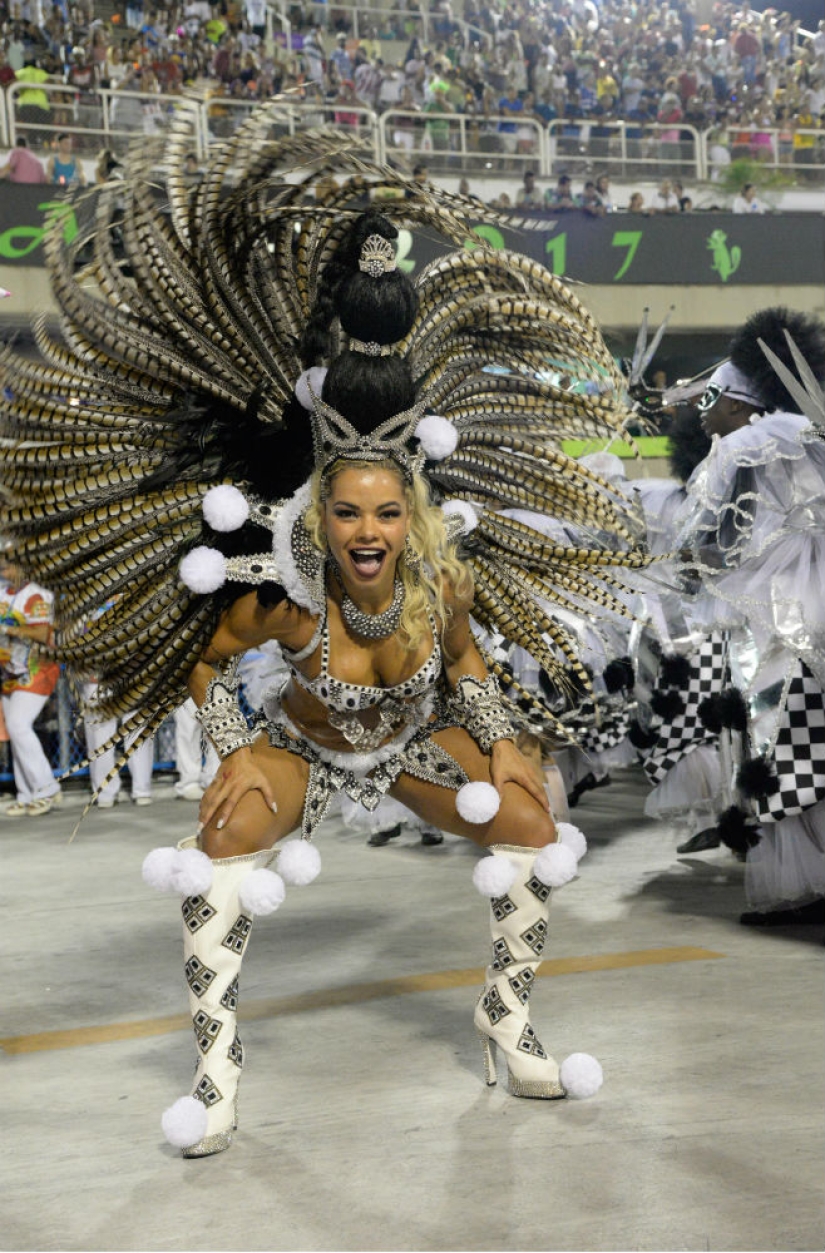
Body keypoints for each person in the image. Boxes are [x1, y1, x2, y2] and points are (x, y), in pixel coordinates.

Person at [0, 127, 650, 1159]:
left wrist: (500, 732)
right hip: (304, 748)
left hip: (411, 750)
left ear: (411, 511)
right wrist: (223, 746)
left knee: (530, 819)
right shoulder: (286, 594)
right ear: (323, 512)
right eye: (347, 512)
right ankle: (216, 1073)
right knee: (217, 852)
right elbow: (211, 660)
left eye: (386, 513)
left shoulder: (443, 581)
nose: (366, 533)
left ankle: (508, 1019)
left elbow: (469, 665)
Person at [675, 307, 825, 925]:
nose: (701, 410)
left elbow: (702, 537)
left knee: (770, 744)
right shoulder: (810, 433)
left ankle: (794, 884)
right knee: (814, 744)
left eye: (711, 397)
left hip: (768, 620)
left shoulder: (741, 445)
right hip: (815, 614)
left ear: (740, 403)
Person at [0, 561, 62, 817]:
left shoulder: (37, 594)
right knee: (15, 732)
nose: (3, 571)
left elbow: (41, 632)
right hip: (8, 670)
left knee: (18, 724)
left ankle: (47, 789)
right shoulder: (2, 591)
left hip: (38, 669)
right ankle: (26, 794)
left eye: (8, 567)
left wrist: (7, 629)